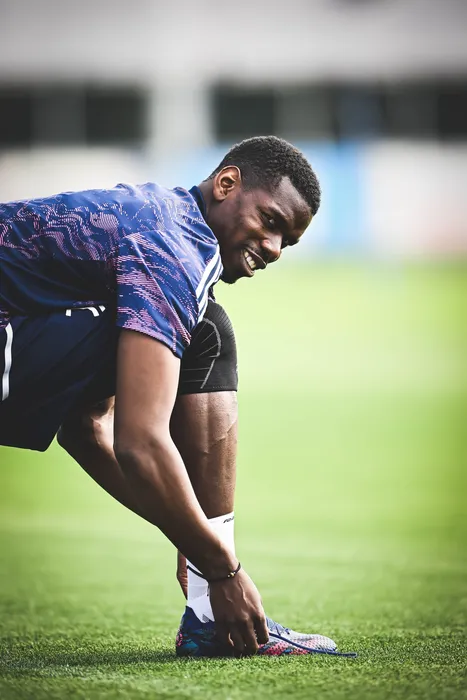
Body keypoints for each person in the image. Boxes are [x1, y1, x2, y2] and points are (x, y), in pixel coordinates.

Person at [0, 136, 353, 658]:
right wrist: (223, 569)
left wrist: (193, 538)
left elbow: (86, 425)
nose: (275, 249)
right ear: (226, 183)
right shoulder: (175, 247)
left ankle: (209, 611)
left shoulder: (159, 218)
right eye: (270, 221)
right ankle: (212, 618)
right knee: (208, 332)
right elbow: (140, 443)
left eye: (289, 242)